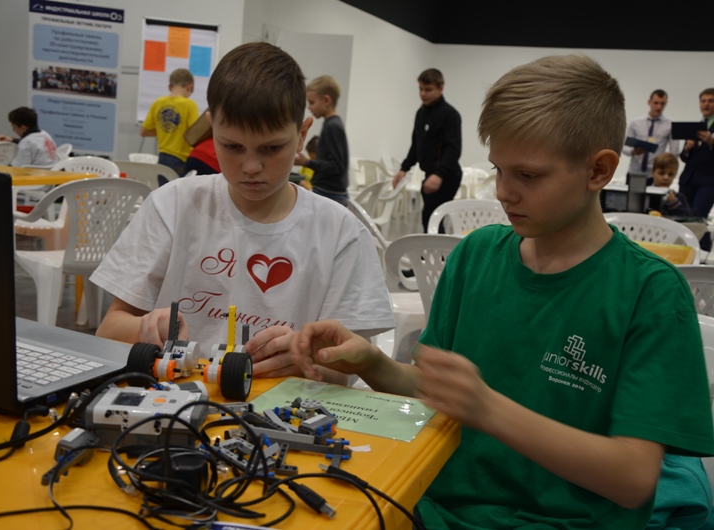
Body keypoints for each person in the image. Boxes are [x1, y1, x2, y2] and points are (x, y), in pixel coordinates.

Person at [270, 55, 714, 529]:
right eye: (499, 170)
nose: (503, 191)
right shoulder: (475, 256)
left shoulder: (649, 292)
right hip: (434, 509)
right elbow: (439, 392)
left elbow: (633, 479)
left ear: (598, 171)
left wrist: (490, 410)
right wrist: (370, 363)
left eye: (528, 176)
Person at [90, 42, 394, 384]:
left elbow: (350, 369)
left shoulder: (340, 232)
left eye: (272, 148)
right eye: (232, 146)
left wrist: (305, 362)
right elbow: (108, 330)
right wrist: (144, 326)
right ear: (211, 129)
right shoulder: (171, 205)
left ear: (301, 135)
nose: (251, 166)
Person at [392, 68, 462, 232]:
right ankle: (434, 248)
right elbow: (416, 145)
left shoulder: (450, 114)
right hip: (430, 174)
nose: (423, 94)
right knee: (429, 219)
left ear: (441, 88)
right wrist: (404, 168)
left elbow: (453, 149)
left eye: (428, 90)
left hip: (448, 176)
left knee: (432, 218)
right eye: (421, 89)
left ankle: (438, 249)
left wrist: (439, 175)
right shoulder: (421, 113)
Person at [294, 76, 349, 205]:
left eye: (312, 102)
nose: (309, 107)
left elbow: (337, 166)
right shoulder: (332, 124)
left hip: (329, 193)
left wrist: (307, 162)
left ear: (326, 100)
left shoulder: (332, 126)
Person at [141, 68, 199, 176]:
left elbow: (144, 132)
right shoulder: (190, 105)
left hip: (162, 158)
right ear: (189, 87)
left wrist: (163, 130)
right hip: (180, 160)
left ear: (170, 87)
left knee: (164, 186)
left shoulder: (158, 103)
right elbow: (196, 133)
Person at [679, 88, 714, 250]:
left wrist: (712, 142)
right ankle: (685, 251)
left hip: (708, 181)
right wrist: (687, 148)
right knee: (683, 218)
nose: (706, 104)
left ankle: (703, 253)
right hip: (688, 179)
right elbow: (684, 157)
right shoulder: (696, 126)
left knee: (698, 218)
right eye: (703, 101)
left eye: (711, 101)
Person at [622, 89, 680, 180]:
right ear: (649, 102)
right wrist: (633, 151)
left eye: (662, 103)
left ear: (666, 104)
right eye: (656, 103)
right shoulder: (636, 122)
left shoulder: (671, 124)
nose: (659, 107)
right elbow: (624, 146)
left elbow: (674, 152)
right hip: (635, 170)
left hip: (657, 174)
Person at [648, 153, 693, 217]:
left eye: (670, 174)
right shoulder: (642, 195)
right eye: (661, 173)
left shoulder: (679, 197)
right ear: (653, 172)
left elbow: (688, 218)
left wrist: (673, 202)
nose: (666, 177)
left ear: (675, 175)